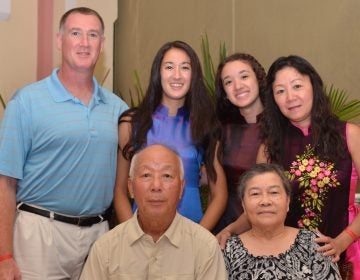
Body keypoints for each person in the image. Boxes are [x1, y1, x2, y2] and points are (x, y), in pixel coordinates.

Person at [0, 7, 128, 280]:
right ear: (60, 40)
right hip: (39, 235)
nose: (84, 42)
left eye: (92, 35)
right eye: (75, 33)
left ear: (102, 45)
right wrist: (4, 256)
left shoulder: (117, 109)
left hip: (98, 235)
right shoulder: (26, 102)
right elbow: (5, 183)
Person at [219, 55, 360, 279]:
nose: (290, 97)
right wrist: (229, 230)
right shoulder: (269, 148)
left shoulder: (350, 134)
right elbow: (260, 205)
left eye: (297, 86)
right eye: (280, 91)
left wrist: (343, 241)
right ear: (273, 99)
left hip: (349, 249)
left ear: (313, 86)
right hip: (292, 263)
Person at [113, 40, 227, 230]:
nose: (177, 75)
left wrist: (199, 239)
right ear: (158, 73)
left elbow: (219, 195)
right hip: (140, 233)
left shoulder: (205, 125)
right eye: (169, 67)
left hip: (191, 233)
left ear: (194, 75)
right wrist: (131, 237)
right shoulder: (132, 123)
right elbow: (120, 190)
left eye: (185, 67)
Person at [80, 144, 227, 279]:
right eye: (146, 175)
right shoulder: (105, 248)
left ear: (181, 188)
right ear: (131, 187)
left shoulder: (206, 248)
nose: (156, 186)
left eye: (167, 176)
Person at [223, 163, 341, 279]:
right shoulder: (227, 251)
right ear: (243, 205)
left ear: (287, 201)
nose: (265, 201)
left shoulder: (314, 243)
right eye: (255, 194)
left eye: (274, 192)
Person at [212, 53, 266, 233]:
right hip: (225, 228)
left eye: (244, 76)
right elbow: (216, 195)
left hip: (268, 228)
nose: (237, 86)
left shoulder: (282, 129)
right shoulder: (221, 132)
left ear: (258, 79)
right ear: (225, 93)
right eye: (228, 82)